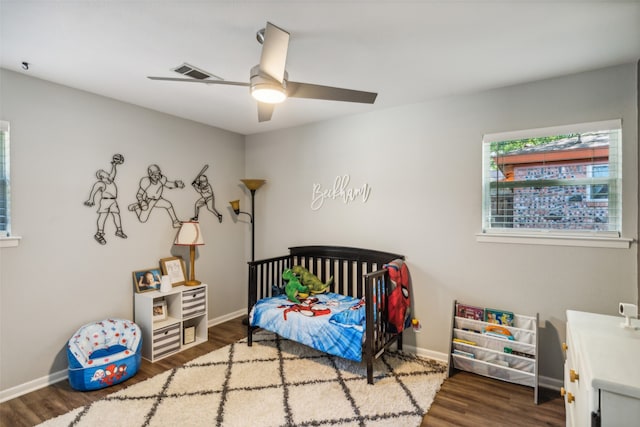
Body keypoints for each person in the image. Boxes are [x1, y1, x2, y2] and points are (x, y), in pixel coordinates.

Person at [84, 155, 127, 245]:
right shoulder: (101, 183)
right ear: (100, 176)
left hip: (113, 201)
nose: (106, 173)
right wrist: (91, 199)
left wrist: (114, 165)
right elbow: (93, 191)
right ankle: (99, 233)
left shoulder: (110, 180)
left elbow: (112, 174)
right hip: (105, 201)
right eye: (103, 172)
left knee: (116, 215)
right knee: (103, 217)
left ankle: (119, 230)